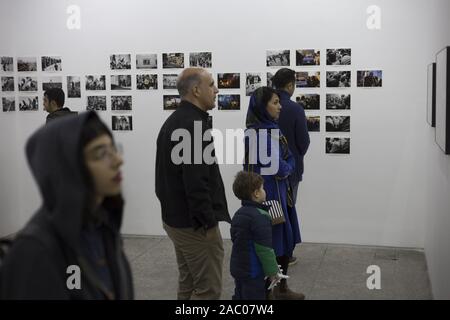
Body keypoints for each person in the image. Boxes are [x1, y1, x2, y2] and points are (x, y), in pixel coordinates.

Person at [0, 112, 134, 299]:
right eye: (101, 154)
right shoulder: (33, 252)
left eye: (113, 149)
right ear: (68, 167)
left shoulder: (103, 228)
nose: (118, 161)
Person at [155, 67, 231, 300]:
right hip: (195, 225)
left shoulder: (177, 121)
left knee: (188, 283)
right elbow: (196, 183)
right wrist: (208, 225)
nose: (217, 89)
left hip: (177, 220)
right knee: (208, 290)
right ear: (196, 90)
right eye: (211, 85)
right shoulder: (193, 126)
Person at [244, 86, 304, 300]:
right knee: (272, 244)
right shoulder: (259, 134)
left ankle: (281, 289)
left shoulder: (271, 130)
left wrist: (287, 165)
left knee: (284, 242)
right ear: (262, 106)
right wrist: (287, 167)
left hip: (279, 194)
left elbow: (288, 158)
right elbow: (281, 167)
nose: (280, 107)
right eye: (275, 102)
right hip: (268, 199)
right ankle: (268, 294)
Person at [272, 69, 310, 267]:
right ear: (289, 85)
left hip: (268, 170)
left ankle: (274, 252)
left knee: (272, 210)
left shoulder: (264, 106)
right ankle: (285, 254)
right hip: (290, 169)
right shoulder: (295, 109)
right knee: (288, 209)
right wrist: (295, 156)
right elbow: (303, 142)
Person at [230, 171, 284, 300]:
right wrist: (273, 271)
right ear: (256, 193)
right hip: (253, 270)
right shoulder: (261, 217)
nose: (264, 190)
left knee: (240, 294)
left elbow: (234, 238)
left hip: (238, 267)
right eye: (262, 188)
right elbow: (265, 249)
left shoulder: (238, 213)